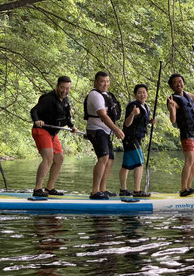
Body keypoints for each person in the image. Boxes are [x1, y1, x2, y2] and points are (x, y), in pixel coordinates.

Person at [30, 76, 78, 197]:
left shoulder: (66, 100)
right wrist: (37, 120)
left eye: (67, 88)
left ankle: (49, 188)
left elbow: (67, 118)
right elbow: (34, 111)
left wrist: (72, 126)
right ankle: (37, 189)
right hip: (41, 130)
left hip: (53, 132)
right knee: (48, 157)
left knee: (59, 158)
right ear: (57, 86)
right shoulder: (48, 99)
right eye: (62, 87)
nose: (64, 91)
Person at [84, 71, 124, 200]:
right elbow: (103, 115)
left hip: (106, 131)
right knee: (103, 158)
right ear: (96, 82)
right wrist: (116, 129)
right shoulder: (95, 95)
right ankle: (95, 191)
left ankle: (103, 189)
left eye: (107, 81)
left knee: (110, 159)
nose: (105, 84)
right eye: (102, 81)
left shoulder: (107, 95)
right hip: (96, 129)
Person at [167, 73, 194, 197]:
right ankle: (183, 189)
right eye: (175, 82)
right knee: (189, 160)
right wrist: (172, 108)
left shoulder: (188, 95)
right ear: (172, 86)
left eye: (180, 81)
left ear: (183, 82)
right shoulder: (172, 99)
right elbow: (173, 120)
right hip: (186, 132)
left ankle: (189, 186)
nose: (179, 84)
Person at [118, 84, 155, 197]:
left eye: (144, 92)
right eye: (139, 92)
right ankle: (137, 191)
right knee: (139, 164)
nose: (142, 94)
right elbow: (127, 123)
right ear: (135, 95)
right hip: (130, 138)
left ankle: (123, 190)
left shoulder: (146, 107)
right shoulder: (133, 106)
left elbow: (142, 121)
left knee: (126, 165)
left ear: (147, 94)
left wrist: (150, 121)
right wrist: (133, 114)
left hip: (136, 138)